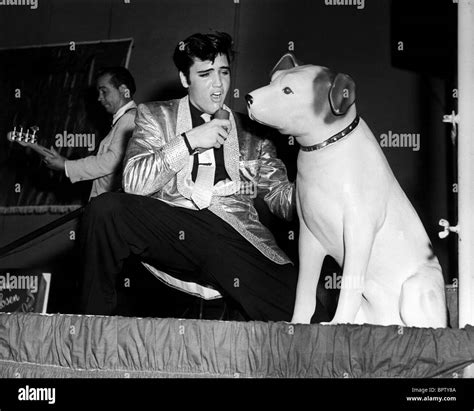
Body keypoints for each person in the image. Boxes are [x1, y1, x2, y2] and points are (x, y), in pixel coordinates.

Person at [79, 32, 328, 322]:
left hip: (236, 237)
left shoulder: (254, 132)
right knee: (105, 210)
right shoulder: (155, 115)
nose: (218, 85)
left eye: (223, 72)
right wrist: (188, 141)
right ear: (185, 79)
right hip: (178, 228)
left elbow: (281, 201)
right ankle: (91, 327)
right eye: (206, 74)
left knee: (314, 321)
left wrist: (317, 170)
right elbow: (133, 183)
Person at [43, 67, 137, 199]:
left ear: (122, 90)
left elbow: (111, 162)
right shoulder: (124, 120)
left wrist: (66, 166)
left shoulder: (129, 118)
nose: (99, 98)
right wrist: (65, 163)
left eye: (104, 91)